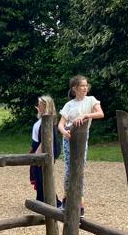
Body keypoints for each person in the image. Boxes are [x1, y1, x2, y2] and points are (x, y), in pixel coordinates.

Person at [58, 75, 104, 214]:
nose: (85, 88)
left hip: (83, 137)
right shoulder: (69, 104)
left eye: (86, 85)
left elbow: (100, 113)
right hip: (69, 137)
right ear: (75, 88)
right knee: (69, 169)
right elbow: (60, 124)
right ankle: (66, 199)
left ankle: (80, 204)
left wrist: (86, 116)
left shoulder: (91, 100)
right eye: (82, 86)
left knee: (79, 169)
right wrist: (64, 132)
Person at [29, 96, 61, 203]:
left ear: (46, 106)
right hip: (37, 149)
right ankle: (41, 198)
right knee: (38, 175)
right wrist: (32, 151)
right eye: (38, 105)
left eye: (40, 105)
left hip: (45, 151)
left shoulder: (48, 121)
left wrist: (37, 154)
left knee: (43, 175)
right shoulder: (41, 120)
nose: (38, 107)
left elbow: (46, 139)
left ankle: (52, 200)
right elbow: (35, 140)